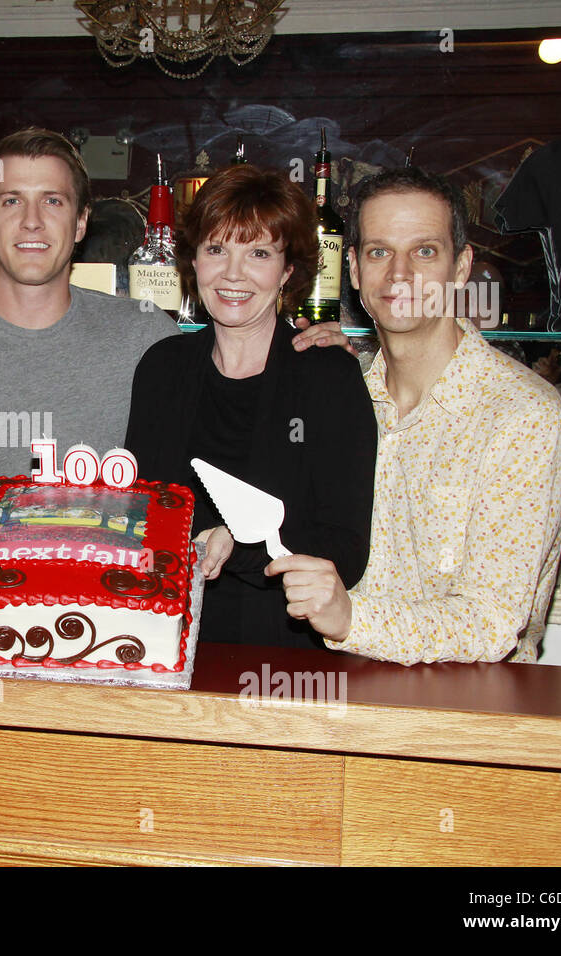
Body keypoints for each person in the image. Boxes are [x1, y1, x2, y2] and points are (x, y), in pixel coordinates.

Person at [0, 127, 353, 481]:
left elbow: (241, 408)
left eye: (53, 201)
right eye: (11, 200)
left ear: (81, 223)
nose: (32, 222)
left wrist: (307, 350)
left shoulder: (144, 334)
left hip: (120, 596)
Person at [266, 167, 561, 664]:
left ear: (460, 268)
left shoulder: (523, 417)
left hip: (462, 717)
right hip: (335, 696)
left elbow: (491, 621)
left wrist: (351, 619)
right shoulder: (341, 396)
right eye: (379, 251)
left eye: (424, 251)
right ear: (353, 269)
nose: (399, 274)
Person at [126, 165, 377, 649]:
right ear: (193, 260)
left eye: (258, 253)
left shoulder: (327, 376)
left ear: (287, 271)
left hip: (283, 653)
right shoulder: (162, 369)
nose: (233, 273)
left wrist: (237, 543)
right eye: (216, 249)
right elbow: (146, 515)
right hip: (162, 642)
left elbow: (345, 549)